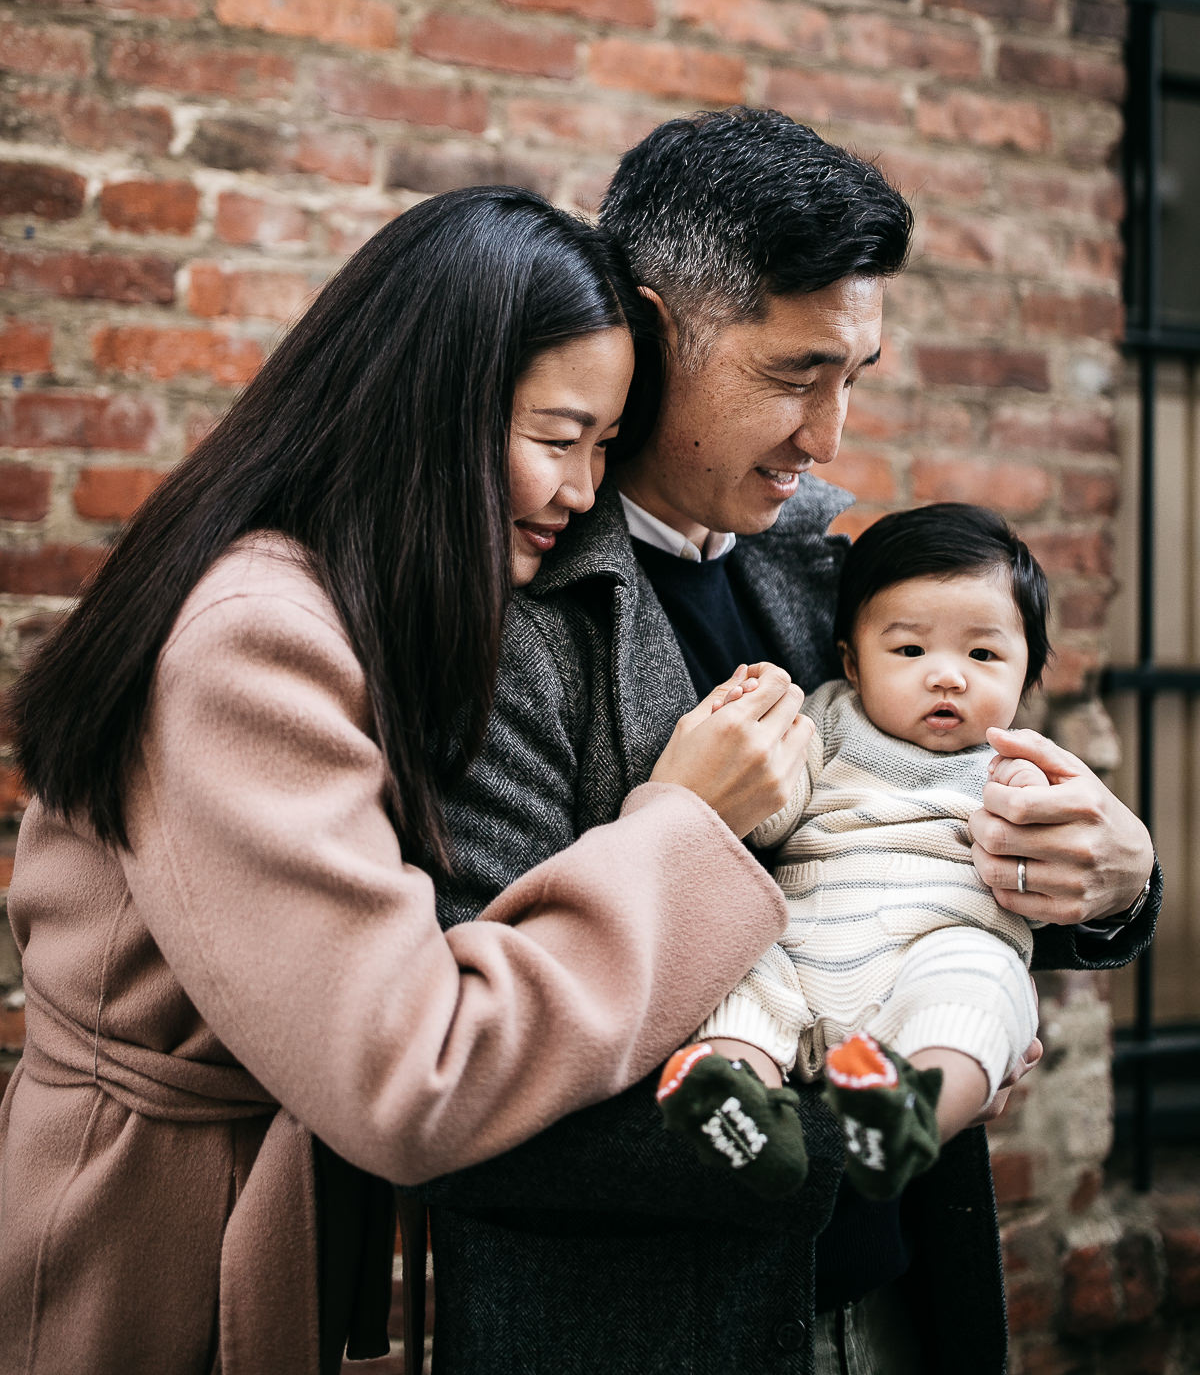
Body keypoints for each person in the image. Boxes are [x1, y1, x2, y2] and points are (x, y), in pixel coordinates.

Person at [0, 187, 812, 1375]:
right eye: (554, 437)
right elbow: (411, 1072)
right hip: (143, 1258)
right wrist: (684, 828)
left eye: (602, 448)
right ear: (429, 407)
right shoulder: (251, 640)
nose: (581, 492)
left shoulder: (360, 600)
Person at [418, 111, 1159, 1375]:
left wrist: (1112, 884)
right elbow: (475, 1078)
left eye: (853, 377)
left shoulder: (831, 564)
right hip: (650, 1329)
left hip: (907, 1297)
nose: (830, 437)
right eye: (792, 375)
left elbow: (928, 819)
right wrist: (841, 1127)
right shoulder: (497, 623)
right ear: (649, 334)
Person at [659, 503, 1066, 1206]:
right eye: (909, 651)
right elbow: (764, 821)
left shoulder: (1018, 766)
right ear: (852, 660)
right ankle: (742, 1107)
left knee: (986, 986)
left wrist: (1036, 812)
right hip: (800, 944)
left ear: (1026, 668)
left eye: (983, 654)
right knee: (736, 965)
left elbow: (1057, 877)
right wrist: (751, 744)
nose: (947, 677)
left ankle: (908, 1116)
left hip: (931, 952)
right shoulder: (823, 719)